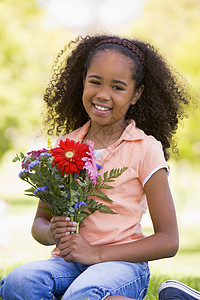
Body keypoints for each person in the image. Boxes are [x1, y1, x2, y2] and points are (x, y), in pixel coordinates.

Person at [0, 34, 192, 300]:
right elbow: (40, 223)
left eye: (118, 87)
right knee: (18, 282)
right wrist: (52, 232)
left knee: (83, 293)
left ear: (136, 94)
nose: (103, 94)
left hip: (122, 265)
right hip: (68, 264)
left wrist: (97, 254)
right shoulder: (66, 146)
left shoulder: (145, 148)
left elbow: (169, 240)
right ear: (83, 82)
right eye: (95, 82)